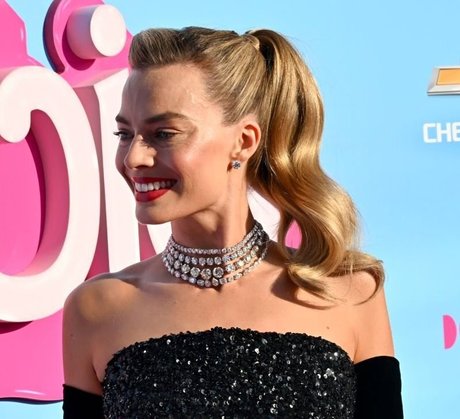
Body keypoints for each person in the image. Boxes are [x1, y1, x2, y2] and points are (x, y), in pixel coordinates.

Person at [62, 26, 403, 418]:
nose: (133, 158)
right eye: (125, 134)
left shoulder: (350, 291)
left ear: (244, 141)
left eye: (164, 133)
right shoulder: (96, 309)